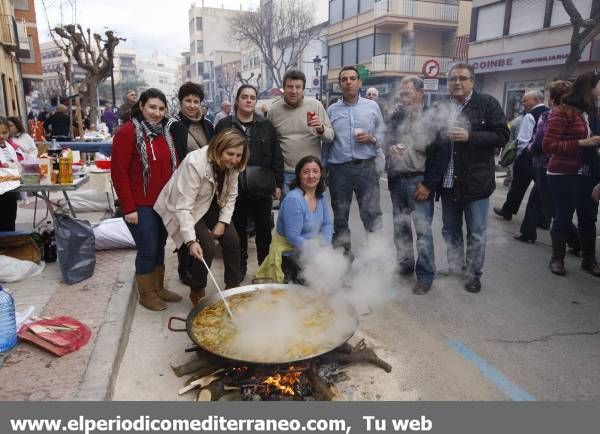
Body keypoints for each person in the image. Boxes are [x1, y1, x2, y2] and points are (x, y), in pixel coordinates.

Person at [154, 129, 249, 306]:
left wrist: (223, 221)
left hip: (212, 200)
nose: (234, 159)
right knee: (205, 246)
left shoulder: (235, 165)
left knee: (233, 241)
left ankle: (232, 289)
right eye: (230, 154)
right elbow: (183, 206)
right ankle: (197, 289)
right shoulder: (195, 162)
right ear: (219, 148)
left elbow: (231, 195)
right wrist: (191, 241)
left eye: (238, 155)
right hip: (187, 205)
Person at [438, 63, 509, 293]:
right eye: (452, 79)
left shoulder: (487, 104)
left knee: (476, 233)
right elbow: (431, 137)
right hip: (448, 182)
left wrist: (471, 136)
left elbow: (502, 135)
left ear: (472, 81)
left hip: (476, 182)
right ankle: (456, 267)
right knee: (450, 230)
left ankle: (473, 274)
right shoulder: (442, 106)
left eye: (462, 78)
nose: (457, 83)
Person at [111, 88, 182, 311]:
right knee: (147, 248)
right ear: (141, 106)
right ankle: (146, 293)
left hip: (163, 204)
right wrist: (128, 207)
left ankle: (158, 287)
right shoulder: (128, 132)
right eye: (152, 107)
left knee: (160, 245)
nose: (157, 113)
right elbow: (119, 172)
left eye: (161, 108)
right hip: (140, 206)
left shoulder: (165, 133)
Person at [385, 76, 449, 294]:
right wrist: (390, 148)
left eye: (408, 93)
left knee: (423, 232)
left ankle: (425, 275)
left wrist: (429, 185)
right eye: (402, 94)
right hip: (397, 180)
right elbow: (386, 140)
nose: (404, 98)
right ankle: (404, 264)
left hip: (419, 181)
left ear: (420, 93)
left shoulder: (433, 119)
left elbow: (442, 156)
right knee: (400, 228)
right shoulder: (396, 117)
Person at [215, 84, 283, 279]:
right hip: (234, 188)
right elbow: (215, 154)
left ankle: (265, 267)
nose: (248, 100)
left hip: (261, 187)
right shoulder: (224, 125)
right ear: (237, 100)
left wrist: (277, 183)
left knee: (264, 230)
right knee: (238, 231)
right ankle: (240, 265)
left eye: (252, 97)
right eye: (244, 97)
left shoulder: (266, 125)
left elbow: (277, 155)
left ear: (256, 101)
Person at [542, 71, 600, 277]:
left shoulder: (592, 111)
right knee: (563, 217)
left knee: (588, 217)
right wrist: (582, 142)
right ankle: (557, 259)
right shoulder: (563, 112)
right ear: (589, 87)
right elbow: (548, 145)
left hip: (589, 172)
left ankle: (589, 260)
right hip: (563, 173)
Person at [325, 66, 385, 257]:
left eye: (352, 78)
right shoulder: (332, 110)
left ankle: (375, 256)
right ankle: (342, 257)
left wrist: (372, 138)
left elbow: (383, 135)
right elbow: (326, 141)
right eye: (344, 79)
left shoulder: (372, 106)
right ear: (340, 84)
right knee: (340, 215)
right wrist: (323, 168)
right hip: (338, 169)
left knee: (372, 214)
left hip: (366, 168)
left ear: (360, 82)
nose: (348, 82)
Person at [166, 81, 216, 285]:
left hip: (204, 184)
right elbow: (172, 155)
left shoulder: (208, 124)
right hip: (183, 183)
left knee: (197, 227)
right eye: (188, 100)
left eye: (196, 101)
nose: (192, 105)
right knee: (183, 226)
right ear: (180, 102)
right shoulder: (173, 125)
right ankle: (184, 268)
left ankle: (194, 266)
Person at [255, 156, 332, 283]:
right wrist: (318, 252)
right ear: (299, 175)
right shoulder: (294, 200)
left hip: (311, 250)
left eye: (315, 171)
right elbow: (293, 237)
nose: (311, 176)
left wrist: (326, 245)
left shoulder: (321, 196)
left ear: (321, 174)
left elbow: (327, 224)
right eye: (306, 172)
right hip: (291, 255)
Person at [523, 81, 580, 253]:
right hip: (566, 165)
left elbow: (541, 140)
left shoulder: (550, 115)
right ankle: (527, 232)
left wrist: (529, 149)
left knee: (553, 208)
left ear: (553, 98)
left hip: (546, 165)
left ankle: (576, 242)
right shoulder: (578, 115)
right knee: (536, 199)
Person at [268, 70, 334, 193]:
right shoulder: (274, 110)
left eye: (298, 87)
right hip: (286, 172)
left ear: (303, 88)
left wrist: (321, 129)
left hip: (312, 171)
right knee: (290, 211)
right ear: (284, 88)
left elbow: (330, 137)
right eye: (290, 87)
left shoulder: (316, 106)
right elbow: (269, 143)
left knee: (314, 210)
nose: (294, 91)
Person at [494, 91, 549, 232]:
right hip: (542, 159)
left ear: (536, 100)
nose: (523, 104)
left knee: (517, 187)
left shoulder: (530, 115)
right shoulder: (549, 112)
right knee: (541, 189)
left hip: (527, 157)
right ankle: (543, 219)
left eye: (526, 101)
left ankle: (508, 210)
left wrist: (519, 156)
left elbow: (523, 140)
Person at [0, 117, 19, 231]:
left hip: (10, 189)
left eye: (4, 132)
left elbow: (20, 157)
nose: (1, 136)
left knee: (10, 219)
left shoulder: (9, 145)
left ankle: (9, 244)